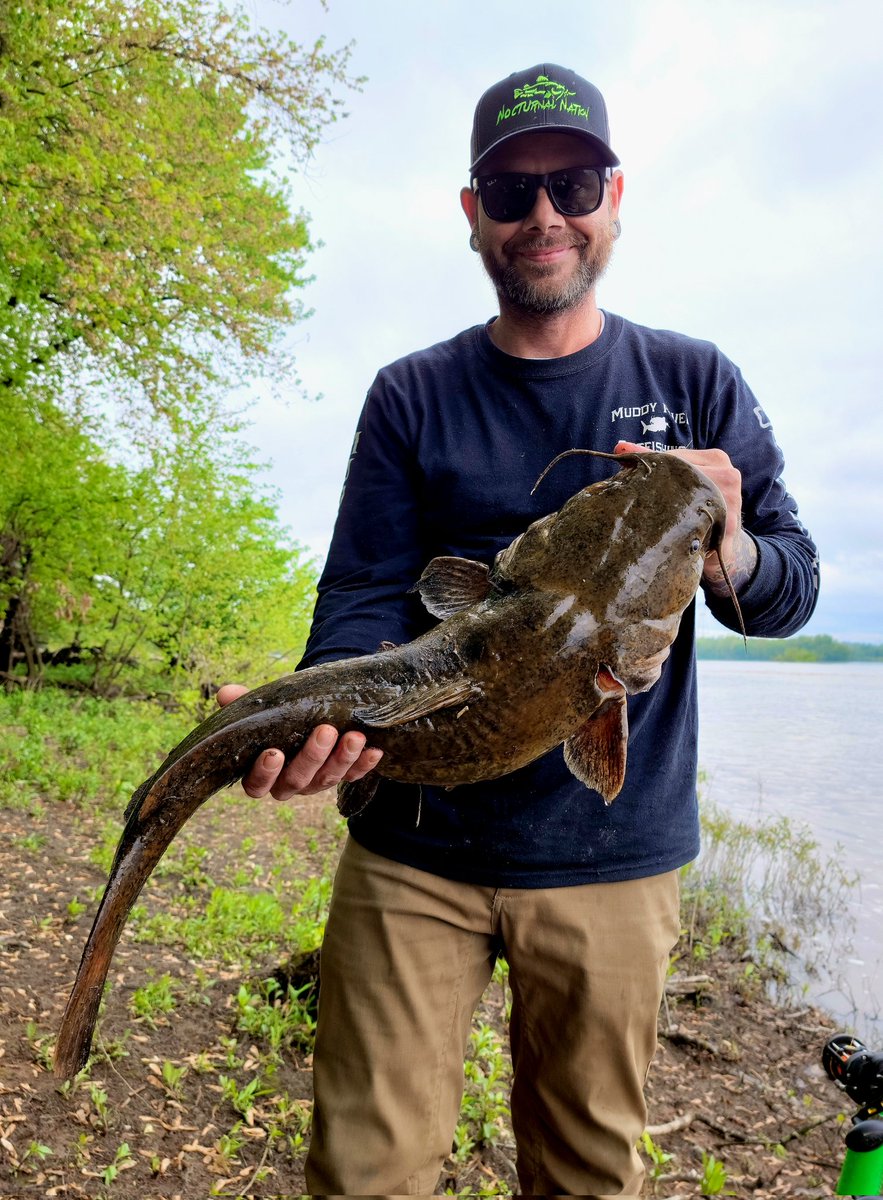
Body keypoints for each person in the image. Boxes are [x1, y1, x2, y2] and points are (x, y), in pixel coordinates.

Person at [219, 64, 819, 1196]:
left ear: (613, 196)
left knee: (588, 1173)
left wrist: (725, 543)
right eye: (511, 190)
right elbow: (360, 595)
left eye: (574, 182)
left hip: (612, 858)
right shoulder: (412, 394)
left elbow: (787, 589)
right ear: (473, 215)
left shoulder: (694, 381)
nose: (544, 213)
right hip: (414, 847)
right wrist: (311, 713)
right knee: (364, 1171)